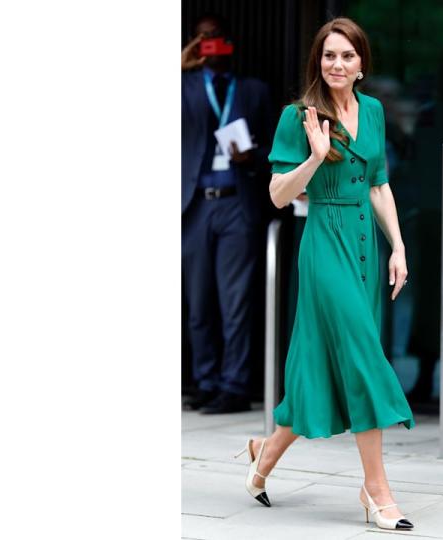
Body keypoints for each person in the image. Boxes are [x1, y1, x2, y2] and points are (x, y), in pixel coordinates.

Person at [231, 17, 416, 531]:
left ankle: (263, 456)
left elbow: (378, 186)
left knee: (319, 367)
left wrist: (398, 245)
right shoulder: (299, 116)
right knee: (363, 356)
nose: (337, 64)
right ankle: (376, 491)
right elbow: (277, 194)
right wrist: (314, 157)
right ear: (319, 61)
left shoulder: (374, 111)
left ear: (362, 64)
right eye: (329, 55)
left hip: (364, 244)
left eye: (347, 56)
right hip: (325, 242)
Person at [181, 13, 274, 414]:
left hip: (238, 200)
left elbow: (274, 146)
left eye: (216, 37)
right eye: (202, 39)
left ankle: (234, 385)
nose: (210, 44)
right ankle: (205, 380)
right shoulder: (182, 86)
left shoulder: (252, 90)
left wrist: (253, 159)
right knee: (198, 302)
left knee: (235, 301)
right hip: (195, 203)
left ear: (229, 42)